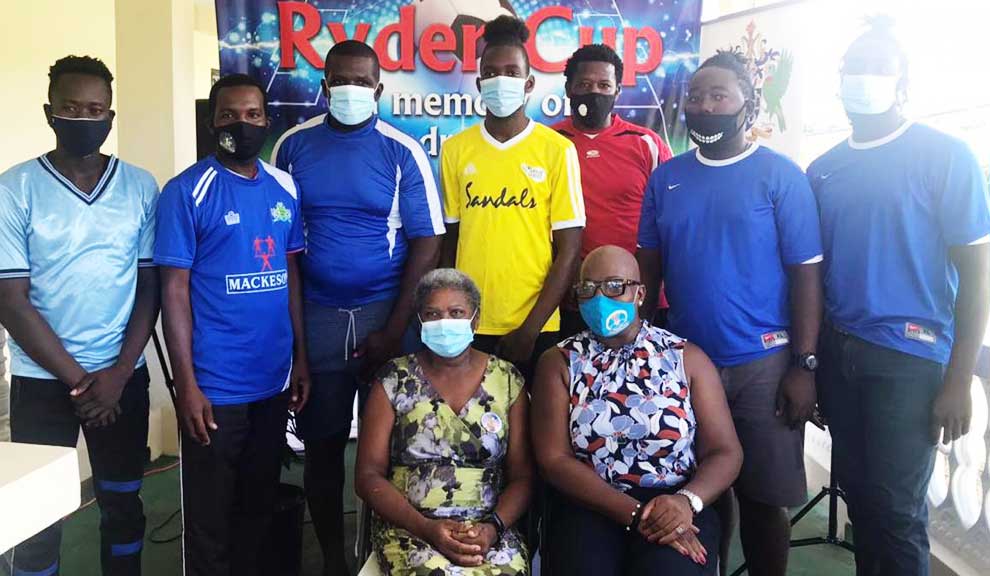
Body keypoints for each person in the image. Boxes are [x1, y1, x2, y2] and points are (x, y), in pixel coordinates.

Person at [808, 18, 990, 576]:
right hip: (841, 356)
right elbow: (816, 277)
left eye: (876, 67)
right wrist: (811, 366)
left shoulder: (945, 156)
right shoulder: (824, 170)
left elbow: (977, 275)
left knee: (897, 511)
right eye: (851, 69)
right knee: (863, 500)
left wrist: (958, 378)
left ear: (903, 81)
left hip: (909, 362)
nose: (861, 78)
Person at [637, 50, 824, 576]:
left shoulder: (781, 177)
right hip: (685, 366)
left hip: (764, 366)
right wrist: (641, 359)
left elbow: (807, 275)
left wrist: (804, 366)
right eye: (695, 97)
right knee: (700, 500)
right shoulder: (666, 179)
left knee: (765, 502)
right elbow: (648, 277)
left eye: (718, 95)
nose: (704, 106)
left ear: (748, 103)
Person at [271, 39, 445, 575]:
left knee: (396, 451)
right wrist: (298, 345)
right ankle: (331, 560)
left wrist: (396, 328)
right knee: (322, 448)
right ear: (324, 87)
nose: (350, 90)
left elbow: (427, 241)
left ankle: (385, 552)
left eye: (361, 81)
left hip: (385, 314)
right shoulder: (292, 147)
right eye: (339, 80)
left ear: (379, 88)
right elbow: (283, 244)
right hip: (318, 317)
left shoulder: (402, 150)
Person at [0, 55, 159, 576]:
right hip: (42, 381)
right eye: (71, 107)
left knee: (123, 506)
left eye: (96, 109)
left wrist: (115, 376)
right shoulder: (14, 187)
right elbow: (10, 300)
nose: (84, 117)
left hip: (121, 377)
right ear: (49, 112)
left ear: (110, 118)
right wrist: (82, 383)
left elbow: (149, 287)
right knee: (38, 521)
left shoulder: (139, 186)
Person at [155, 74, 309, 576]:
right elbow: (173, 289)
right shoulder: (187, 191)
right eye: (228, 116)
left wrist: (300, 361)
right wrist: (187, 385)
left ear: (267, 121)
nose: (240, 125)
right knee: (209, 519)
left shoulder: (285, 187)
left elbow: (289, 274)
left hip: (271, 380)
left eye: (251, 115)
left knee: (257, 505)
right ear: (211, 122)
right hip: (215, 387)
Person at [532, 246, 742, 575]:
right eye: (588, 289)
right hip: (589, 502)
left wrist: (686, 502)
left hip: (676, 502)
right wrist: (635, 513)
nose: (601, 298)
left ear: (640, 294)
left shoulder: (685, 358)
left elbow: (725, 451)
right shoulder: (559, 362)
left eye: (616, 286)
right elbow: (553, 460)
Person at [356, 268, 533, 575]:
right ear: (420, 322)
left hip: (487, 532)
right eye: (433, 314)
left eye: (456, 312)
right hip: (410, 529)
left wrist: (492, 529)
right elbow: (367, 475)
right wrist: (426, 528)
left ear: (475, 320)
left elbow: (523, 477)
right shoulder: (393, 379)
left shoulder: (507, 380)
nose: (445, 322)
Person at [440, 16, 585, 382]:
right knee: (474, 431)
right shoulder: (455, 149)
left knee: (533, 431)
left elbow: (568, 250)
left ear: (529, 83)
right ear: (478, 83)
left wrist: (530, 329)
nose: (500, 80)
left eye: (511, 71)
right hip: (468, 321)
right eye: (490, 72)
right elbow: (450, 241)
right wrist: (449, 313)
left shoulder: (557, 150)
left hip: (536, 322)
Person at [553, 44, 672, 336]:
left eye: (604, 85)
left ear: (617, 91)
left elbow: (669, 220)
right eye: (584, 84)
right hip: (571, 298)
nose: (594, 92)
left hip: (635, 297)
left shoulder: (647, 144)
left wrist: (652, 288)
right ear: (569, 89)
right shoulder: (548, 144)